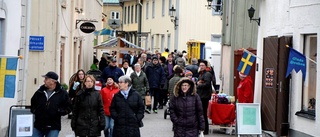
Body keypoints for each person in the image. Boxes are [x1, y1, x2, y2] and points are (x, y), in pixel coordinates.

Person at [31, 71, 72, 137]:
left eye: (46, 79)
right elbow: (33, 103)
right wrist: (35, 111)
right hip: (39, 124)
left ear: (53, 81)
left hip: (53, 125)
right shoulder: (40, 91)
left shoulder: (62, 93)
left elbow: (69, 107)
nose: (44, 81)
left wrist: (58, 111)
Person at [196, 59, 213, 135]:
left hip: (204, 96)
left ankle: (205, 130)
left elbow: (207, 84)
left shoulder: (207, 74)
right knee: (201, 113)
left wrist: (199, 85)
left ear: (206, 66)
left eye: (203, 65)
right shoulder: (201, 74)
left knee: (203, 113)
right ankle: (202, 128)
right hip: (201, 95)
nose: (201, 67)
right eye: (200, 65)